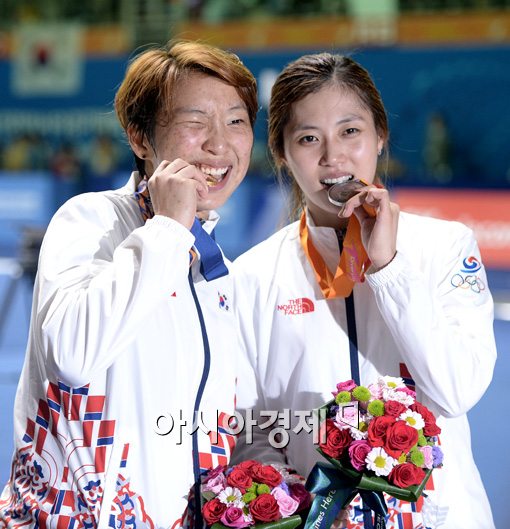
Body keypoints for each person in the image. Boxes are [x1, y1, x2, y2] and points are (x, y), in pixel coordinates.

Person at [232, 53, 496, 528]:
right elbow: (252, 430)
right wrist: (301, 504)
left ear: (380, 136)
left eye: (350, 131)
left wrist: (390, 268)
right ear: (281, 153)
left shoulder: (446, 246)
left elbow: (456, 390)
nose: (333, 157)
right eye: (308, 138)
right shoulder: (252, 275)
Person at [0, 40, 257, 528]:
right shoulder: (90, 220)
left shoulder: (220, 270)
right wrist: (168, 228)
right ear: (140, 138)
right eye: (196, 122)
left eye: (236, 121)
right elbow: (72, 355)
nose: (219, 144)